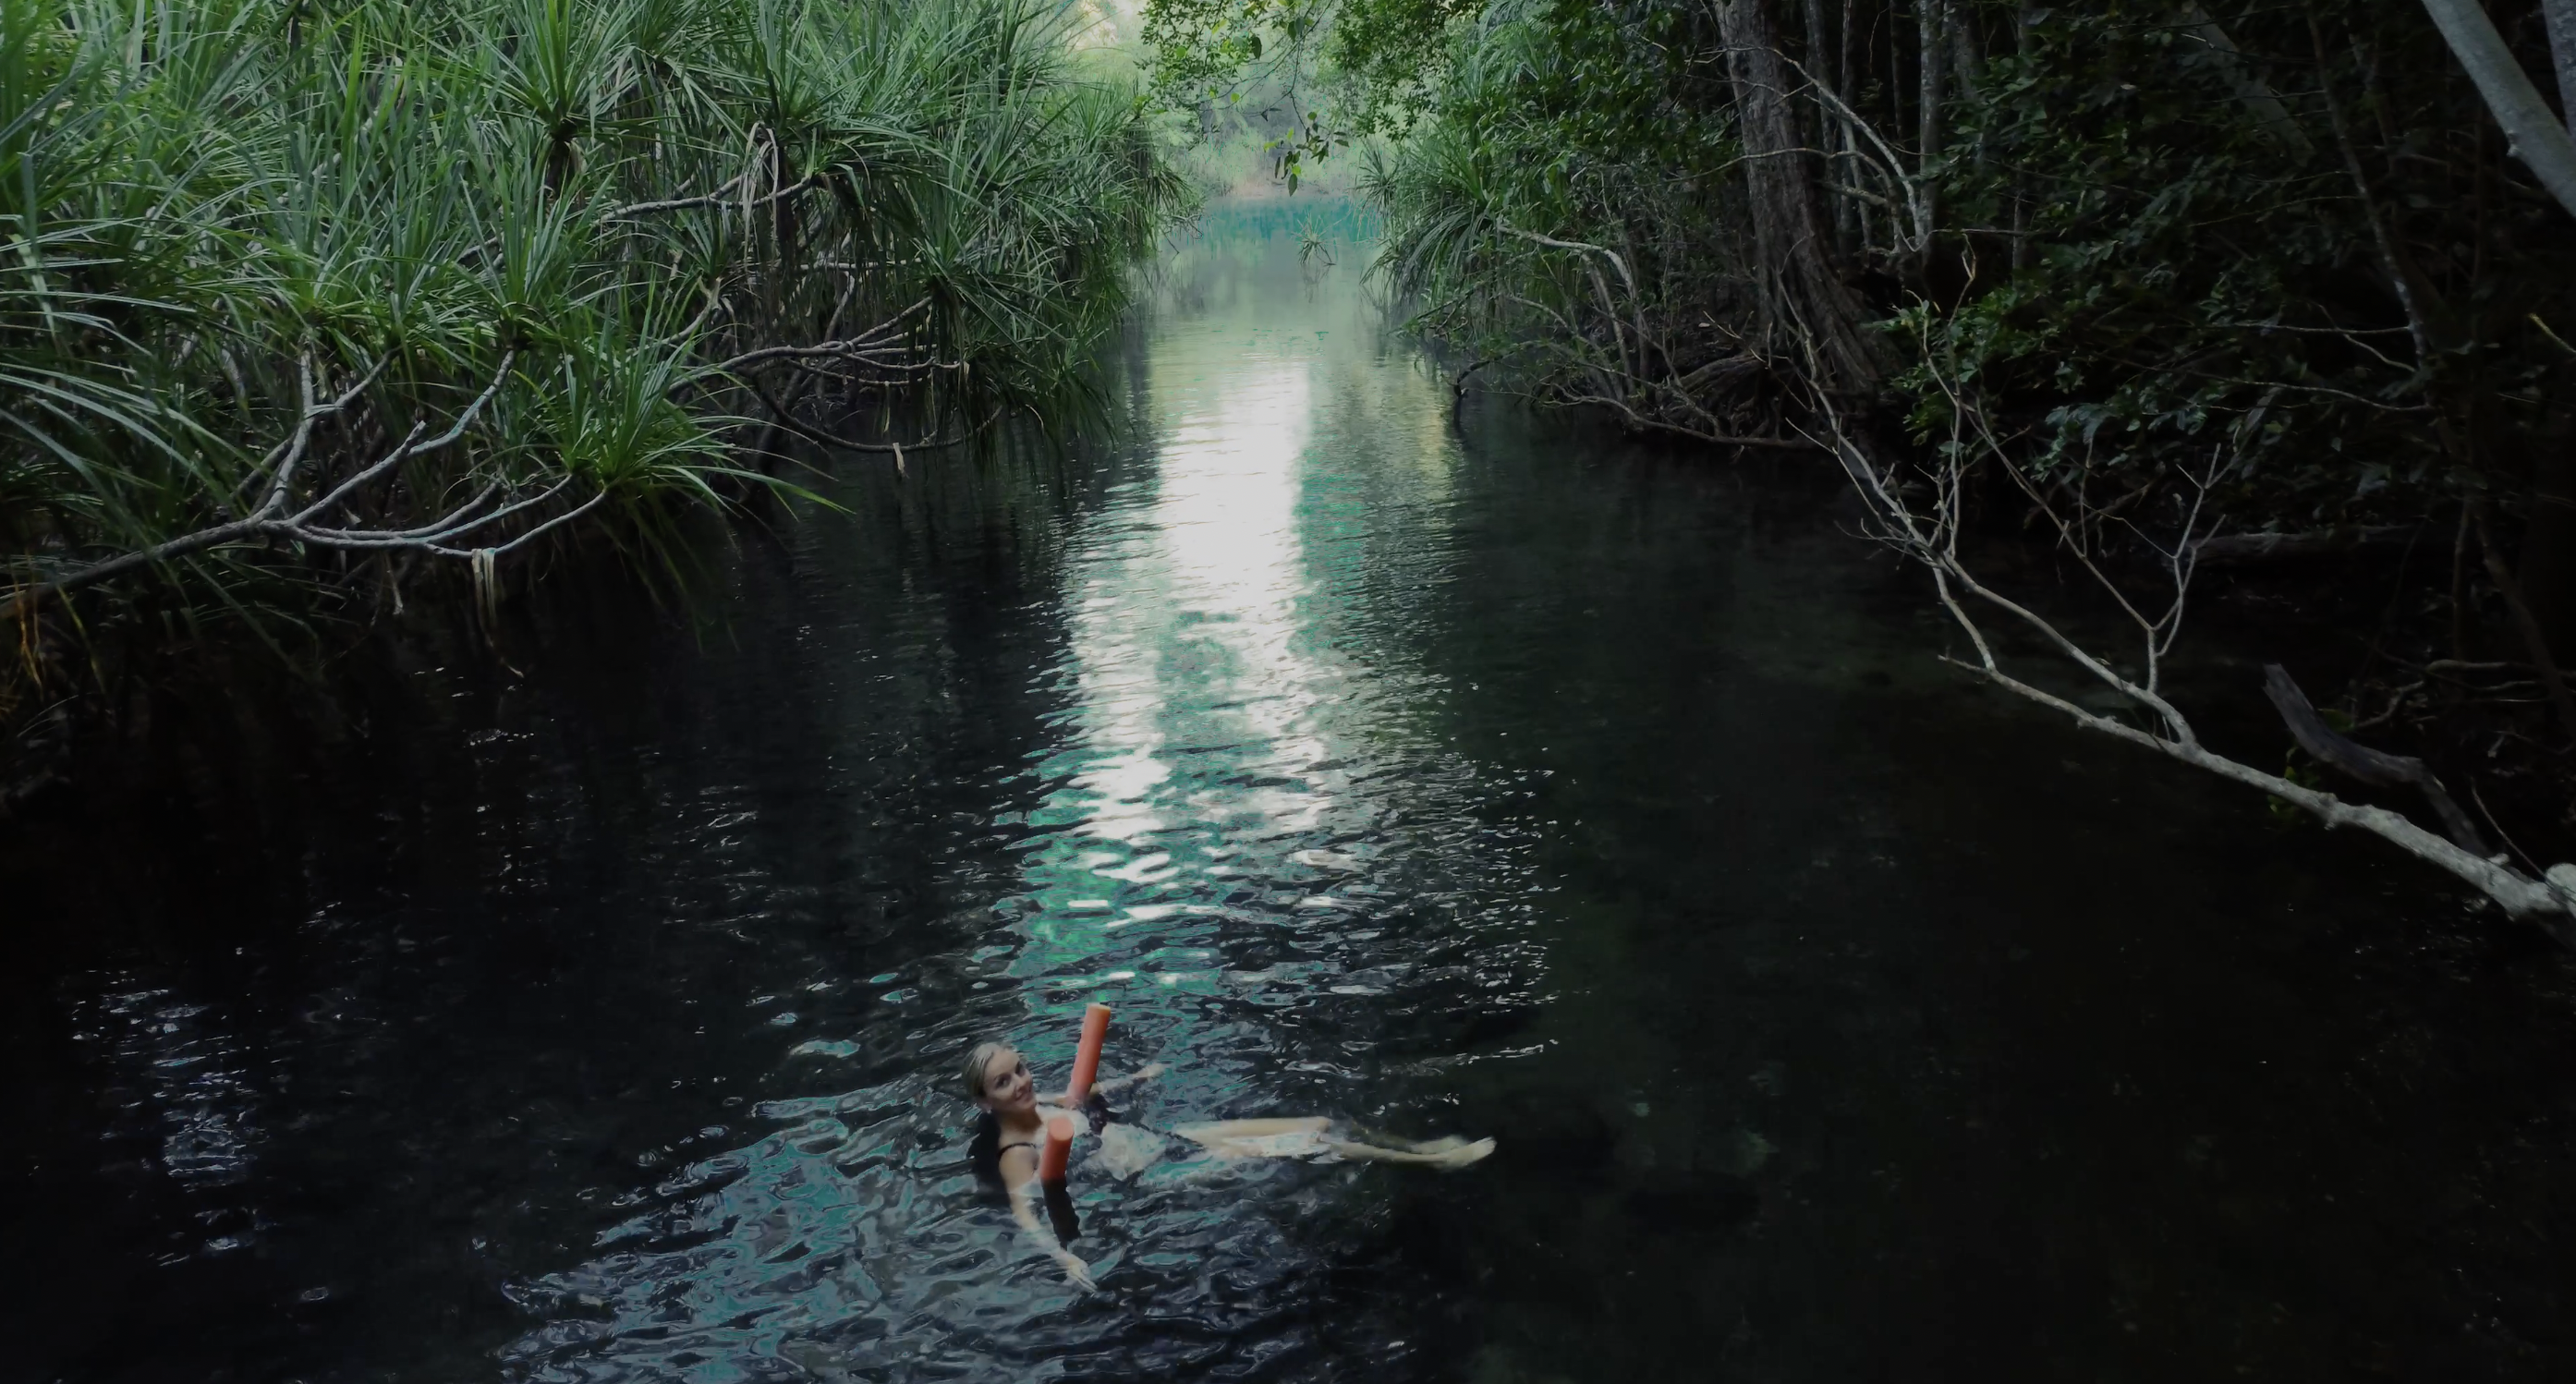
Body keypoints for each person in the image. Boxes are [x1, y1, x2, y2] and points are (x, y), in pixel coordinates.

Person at [958, 1040, 1495, 1289]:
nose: (1021, 1082)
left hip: (1157, 1139)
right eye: (1003, 1082)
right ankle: (1436, 1163)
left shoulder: (1040, 1101)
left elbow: (1081, 1095)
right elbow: (1025, 1213)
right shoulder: (1017, 1153)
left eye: (1020, 1069)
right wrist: (1062, 1259)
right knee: (1307, 1143)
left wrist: (1137, 1079)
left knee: (1319, 1123)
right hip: (1150, 1174)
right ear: (985, 1102)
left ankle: (1415, 1146)